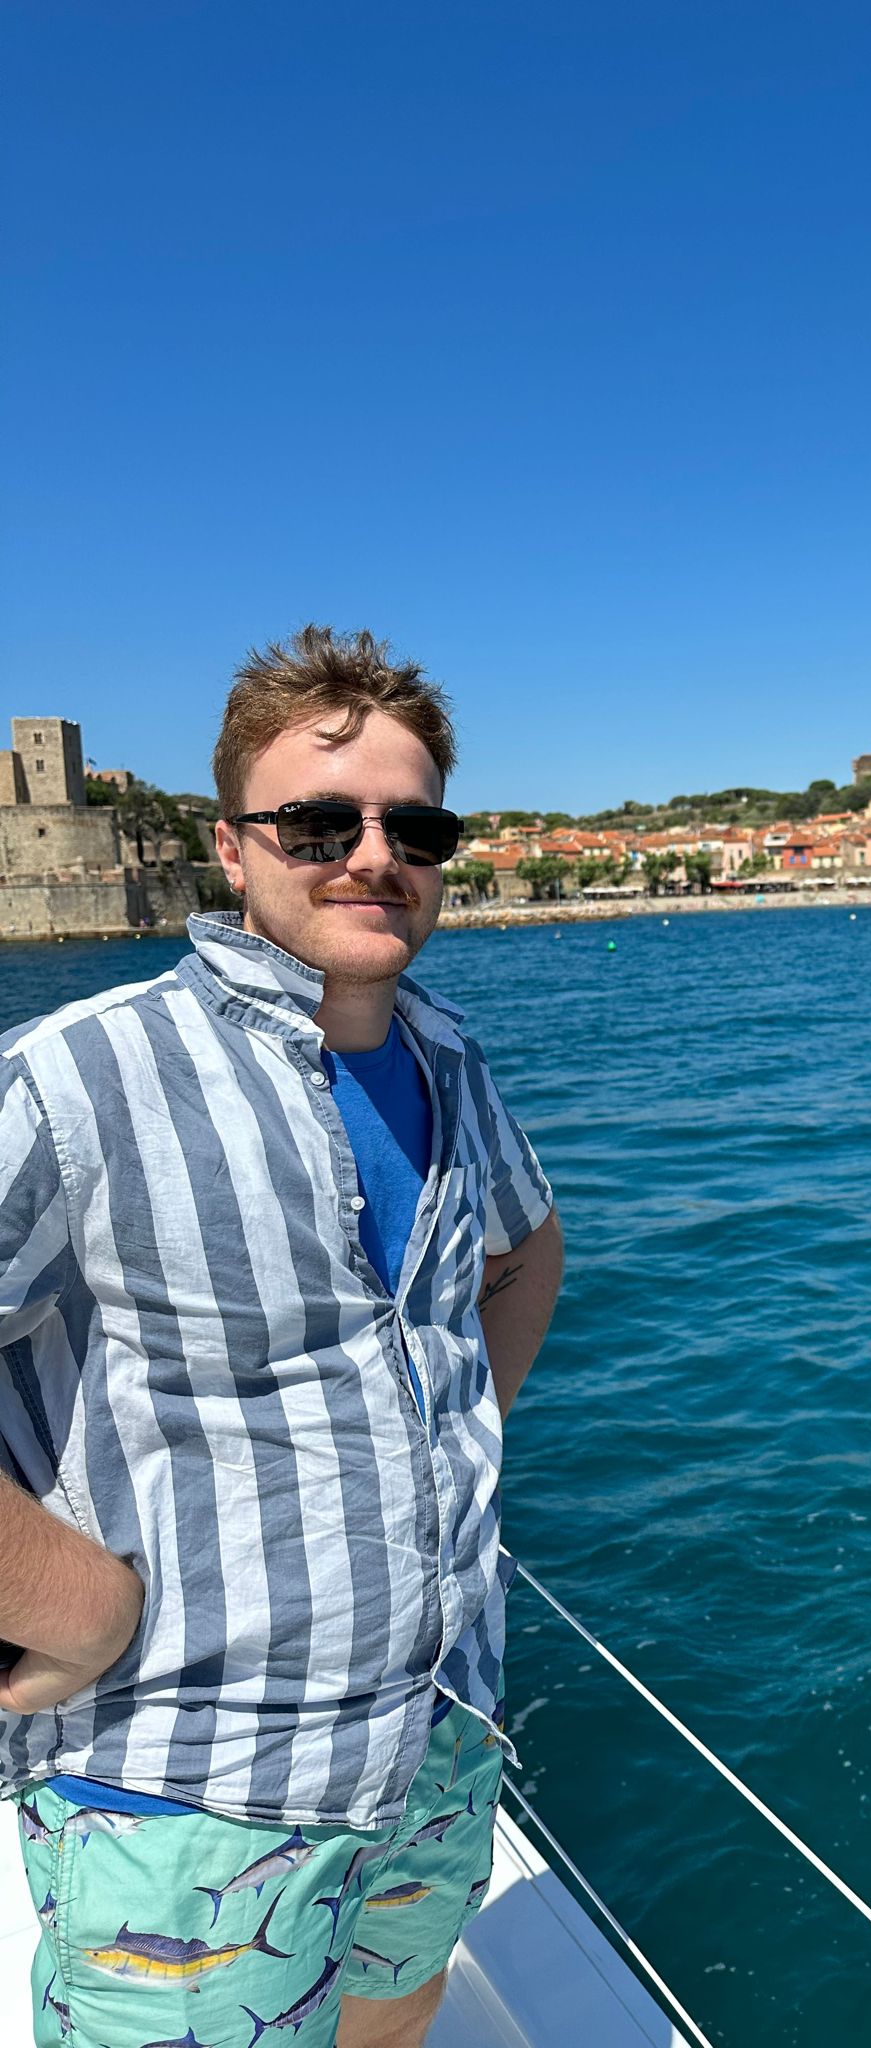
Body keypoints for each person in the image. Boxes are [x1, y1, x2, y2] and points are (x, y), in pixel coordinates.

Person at [0, 626, 564, 2048]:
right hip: (187, 1779)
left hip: (438, 1720)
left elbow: (525, 1250)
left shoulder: (447, 1058)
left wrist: (447, 1438)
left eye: (414, 827)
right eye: (319, 823)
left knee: (401, 2009)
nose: (374, 857)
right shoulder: (82, 1078)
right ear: (231, 850)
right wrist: (74, 1605)